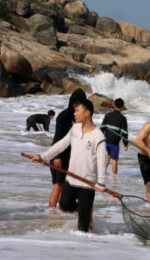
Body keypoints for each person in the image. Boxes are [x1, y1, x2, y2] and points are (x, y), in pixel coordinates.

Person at [24, 98, 106, 232]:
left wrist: (101, 182)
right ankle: (84, 212)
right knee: (64, 205)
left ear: (87, 113)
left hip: (87, 183)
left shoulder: (98, 136)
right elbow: (60, 145)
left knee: (83, 230)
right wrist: (42, 157)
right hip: (71, 179)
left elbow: (102, 161)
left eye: (77, 111)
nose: (75, 113)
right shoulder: (75, 128)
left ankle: (87, 232)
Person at [48, 89, 87, 207]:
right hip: (59, 156)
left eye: (81, 103)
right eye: (77, 103)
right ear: (72, 103)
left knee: (65, 186)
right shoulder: (63, 116)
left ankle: (59, 213)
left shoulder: (81, 117)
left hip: (71, 157)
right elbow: (58, 138)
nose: (78, 106)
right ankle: (51, 212)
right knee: (58, 184)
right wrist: (57, 157)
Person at [100, 98, 128, 174]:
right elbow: (124, 132)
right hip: (114, 142)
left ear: (114, 105)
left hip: (106, 140)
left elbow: (102, 128)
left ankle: (103, 171)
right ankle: (114, 178)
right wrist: (125, 144)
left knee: (109, 155)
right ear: (122, 107)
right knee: (114, 159)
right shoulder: (122, 118)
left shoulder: (108, 115)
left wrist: (99, 139)